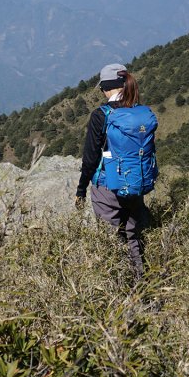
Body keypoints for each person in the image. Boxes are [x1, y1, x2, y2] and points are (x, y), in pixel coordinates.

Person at [75, 63, 152, 280]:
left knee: (110, 240)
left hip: (107, 186)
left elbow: (90, 158)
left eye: (102, 88)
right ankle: (141, 285)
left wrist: (81, 189)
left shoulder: (102, 115)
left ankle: (118, 289)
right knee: (133, 237)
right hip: (135, 185)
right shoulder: (140, 112)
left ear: (107, 88)